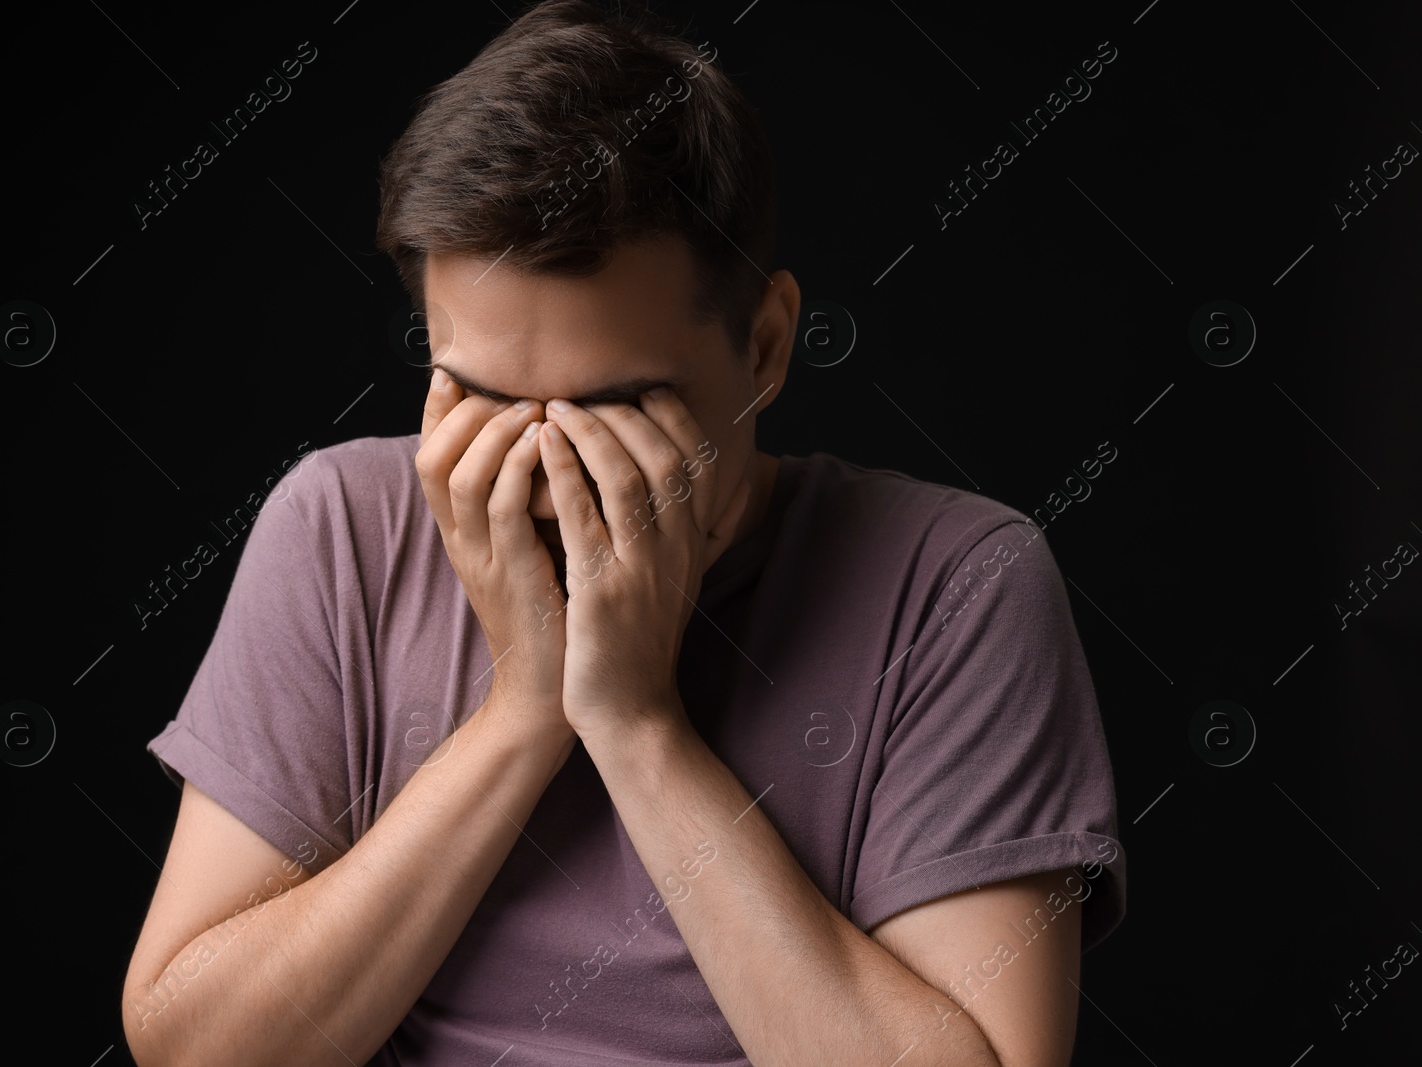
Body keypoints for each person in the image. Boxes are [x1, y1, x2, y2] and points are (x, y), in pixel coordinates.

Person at [121, 2, 1126, 1064]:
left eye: (615, 410)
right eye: (480, 397)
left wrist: (637, 724)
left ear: (768, 347)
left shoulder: (955, 582)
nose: (543, 476)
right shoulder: (343, 529)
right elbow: (197, 1049)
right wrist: (521, 713)